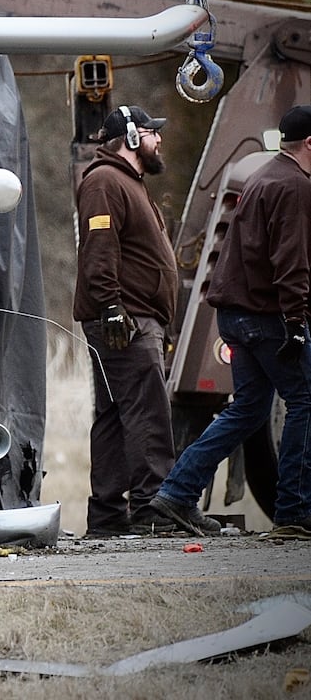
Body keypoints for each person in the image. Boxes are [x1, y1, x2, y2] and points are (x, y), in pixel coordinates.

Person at [151, 104, 311, 539]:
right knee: (304, 402)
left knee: (247, 410)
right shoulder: (295, 185)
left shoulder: (263, 177)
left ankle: (177, 495)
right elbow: (292, 261)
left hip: (235, 316)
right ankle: (295, 513)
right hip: (269, 317)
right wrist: (297, 322)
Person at [73, 104, 180, 536]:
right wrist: (112, 306)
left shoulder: (126, 181)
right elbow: (99, 247)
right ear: (133, 138)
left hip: (133, 315)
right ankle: (153, 506)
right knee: (147, 413)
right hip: (125, 318)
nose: (160, 141)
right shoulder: (104, 180)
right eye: (154, 133)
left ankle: (108, 517)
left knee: (118, 415)